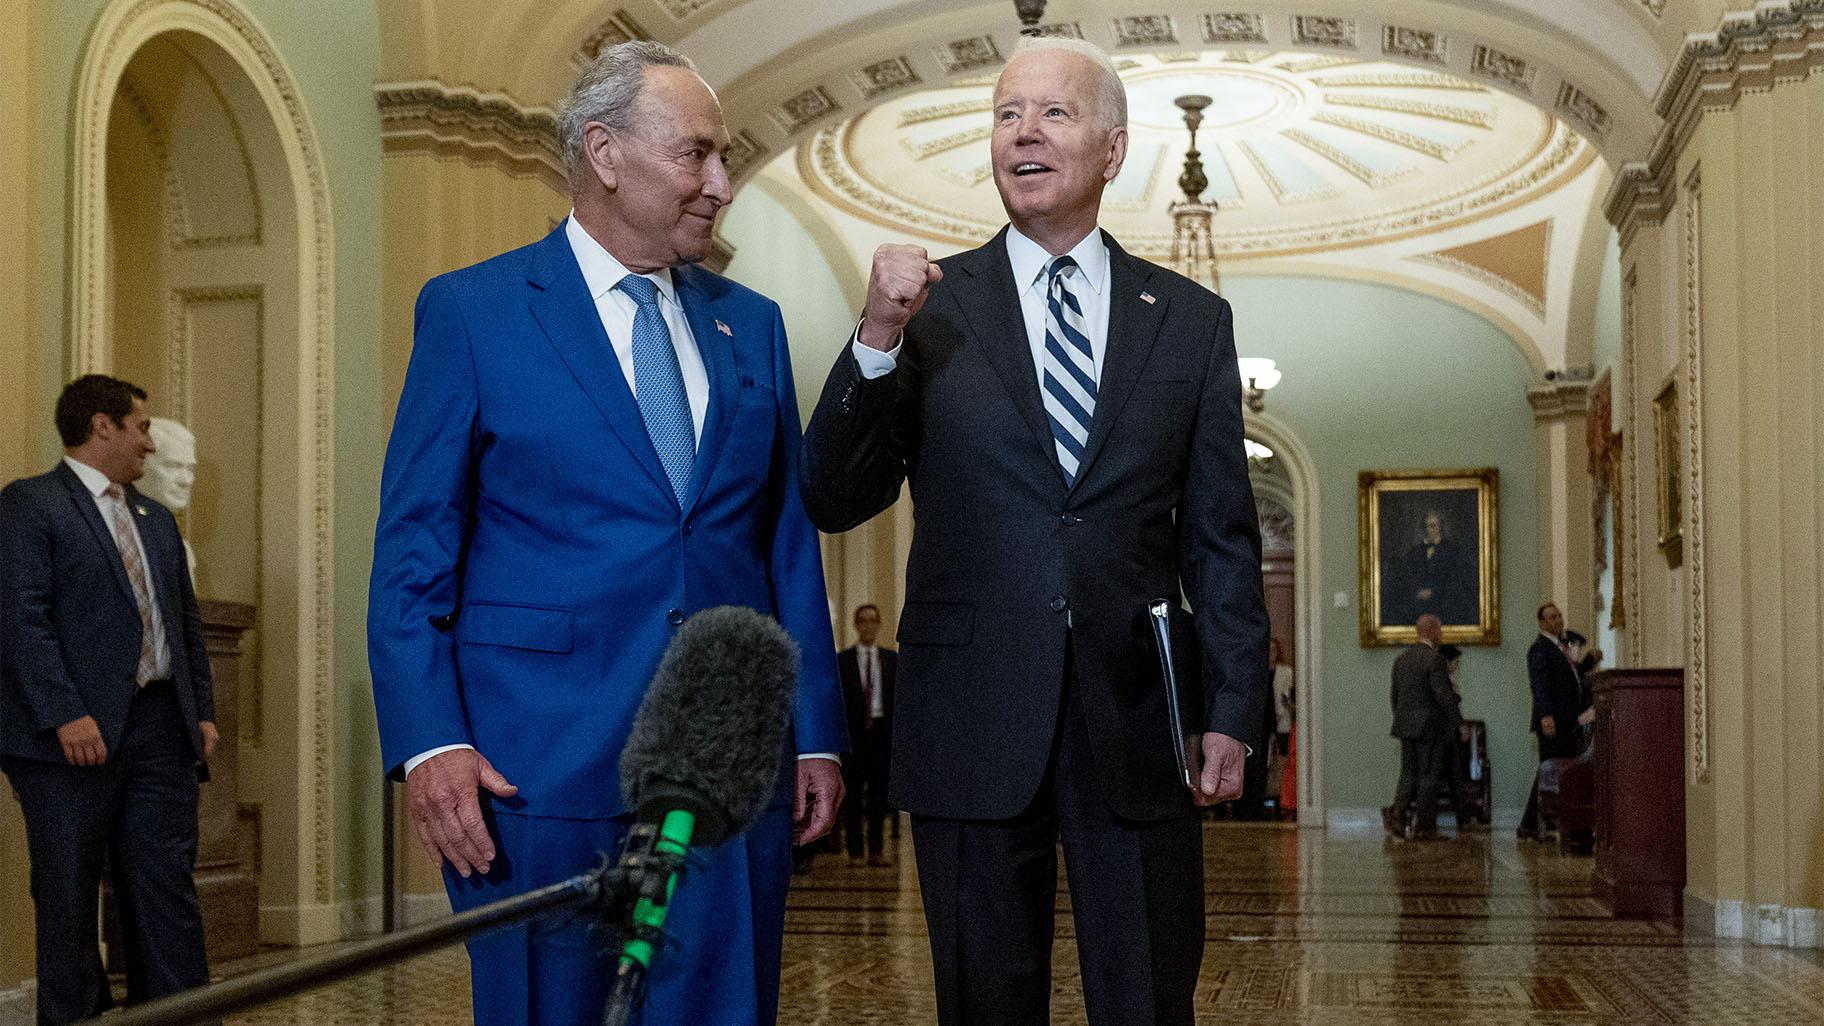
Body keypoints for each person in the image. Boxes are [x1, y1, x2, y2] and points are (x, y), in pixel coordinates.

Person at [366, 41, 847, 1026]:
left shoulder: (748, 325)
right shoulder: (473, 313)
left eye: (723, 161)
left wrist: (817, 739)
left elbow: (783, 544)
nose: (720, 184)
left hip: (726, 765)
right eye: (697, 156)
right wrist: (430, 743)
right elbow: (414, 550)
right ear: (605, 153)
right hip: (537, 764)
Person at [799, 36, 1270, 1026]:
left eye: (1054, 113)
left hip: (1141, 719)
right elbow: (835, 497)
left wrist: (1232, 707)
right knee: (983, 999)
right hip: (968, 717)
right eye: (1008, 113)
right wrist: (875, 338)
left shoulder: (1189, 321)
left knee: (1147, 997)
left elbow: (1219, 536)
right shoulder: (928, 307)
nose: (1024, 131)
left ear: (1111, 148)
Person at [0, 375, 217, 1025]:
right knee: (67, 894)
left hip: (160, 729)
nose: (149, 444)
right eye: (142, 426)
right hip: (66, 738)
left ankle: (182, 1014)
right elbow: (19, 620)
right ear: (103, 426)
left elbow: (184, 624)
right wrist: (65, 711)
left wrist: (200, 710)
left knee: (164, 888)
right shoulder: (30, 504)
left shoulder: (154, 519)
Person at [1384, 614, 1462, 840]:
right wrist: (1457, 723)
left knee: (1408, 773)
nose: (1442, 634)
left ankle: (1398, 814)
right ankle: (1424, 827)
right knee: (1428, 775)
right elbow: (1442, 695)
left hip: (1405, 726)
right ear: (1434, 631)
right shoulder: (1434, 659)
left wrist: (1402, 718)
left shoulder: (1401, 659)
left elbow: (1394, 696)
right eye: (1440, 629)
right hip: (1430, 728)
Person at [1518, 602, 1591, 840]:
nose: (1558, 620)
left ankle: (1537, 824)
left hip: (1568, 722)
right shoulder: (1540, 649)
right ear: (1542, 622)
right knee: (1549, 771)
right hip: (1553, 723)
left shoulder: (1560, 647)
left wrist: (1589, 662)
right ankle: (1531, 825)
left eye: (1559, 615)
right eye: (1552, 617)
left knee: (1555, 771)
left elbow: (1572, 678)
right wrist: (1546, 715)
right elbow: (1540, 686)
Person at [837, 603, 897, 866]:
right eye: (864, 620)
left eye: (873, 620)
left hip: (881, 735)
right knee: (852, 795)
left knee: (878, 794)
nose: (869, 625)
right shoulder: (843, 660)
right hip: (854, 736)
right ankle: (855, 851)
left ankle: (876, 849)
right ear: (856, 625)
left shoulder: (891, 659)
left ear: (879, 624)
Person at [1391, 509, 1471, 626]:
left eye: (1433, 526)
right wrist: (1417, 592)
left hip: (1443, 606)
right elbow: (1407, 578)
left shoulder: (1452, 551)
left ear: (1440, 527)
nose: (1429, 530)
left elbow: (1456, 581)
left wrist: (1433, 592)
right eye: (1426, 526)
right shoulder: (1414, 552)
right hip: (1418, 607)